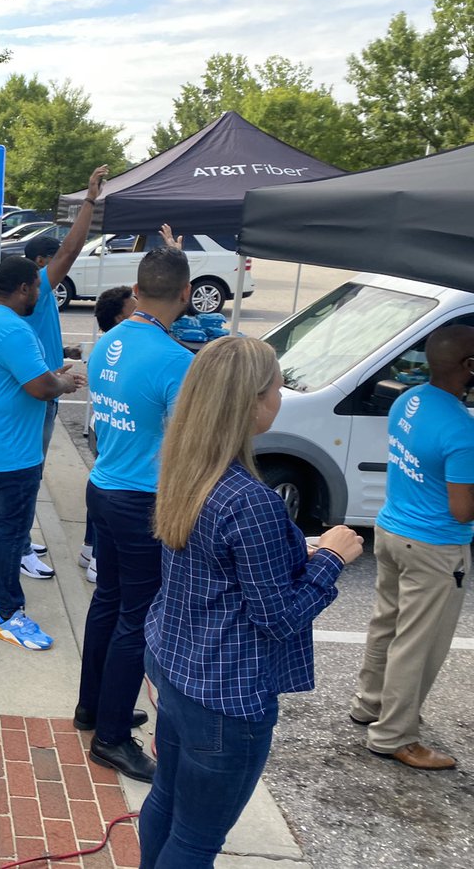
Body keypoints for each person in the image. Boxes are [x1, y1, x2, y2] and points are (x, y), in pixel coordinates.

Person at [140, 336, 363, 866]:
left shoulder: (185, 469)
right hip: (225, 696)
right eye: (277, 387)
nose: (281, 396)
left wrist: (293, 550)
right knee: (196, 839)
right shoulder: (251, 499)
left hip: (175, 666)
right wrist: (332, 557)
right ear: (251, 402)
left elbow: (220, 568)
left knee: (166, 800)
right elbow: (277, 616)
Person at [77, 245, 195, 780]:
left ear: (136, 289)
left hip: (102, 486)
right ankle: (112, 736)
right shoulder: (175, 359)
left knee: (109, 601)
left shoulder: (111, 340)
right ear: (187, 294)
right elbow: (182, 444)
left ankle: (95, 706)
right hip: (140, 500)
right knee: (135, 618)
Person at [349, 325, 474, 770]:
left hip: (391, 530)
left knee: (388, 624)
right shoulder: (462, 429)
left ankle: (370, 705)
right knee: (418, 643)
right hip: (435, 546)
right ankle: (395, 735)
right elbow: (462, 510)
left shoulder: (409, 399)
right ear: (468, 367)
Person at [0, 257, 86, 650]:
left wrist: (52, 374)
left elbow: (24, 374)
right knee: (11, 529)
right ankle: (8, 614)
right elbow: (40, 388)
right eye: (36, 287)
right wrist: (64, 382)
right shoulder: (14, 328)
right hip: (11, 446)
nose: (39, 294)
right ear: (23, 288)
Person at [13, 164, 108, 580]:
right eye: (53, 264)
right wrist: (90, 199)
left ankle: (18, 538)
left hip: (45, 391)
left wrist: (63, 351)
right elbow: (71, 249)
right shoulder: (38, 287)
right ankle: (17, 546)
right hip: (37, 397)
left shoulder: (39, 298)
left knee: (32, 472)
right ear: (39, 265)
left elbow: (40, 337)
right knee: (27, 472)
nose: (64, 268)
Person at [74, 284, 137, 583]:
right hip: (115, 431)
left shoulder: (106, 347)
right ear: (119, 320)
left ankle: (90, 548)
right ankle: (98, 557)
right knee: (110, 490)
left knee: (102, 482)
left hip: (104, 426)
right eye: (133, 309)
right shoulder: (123, 350)